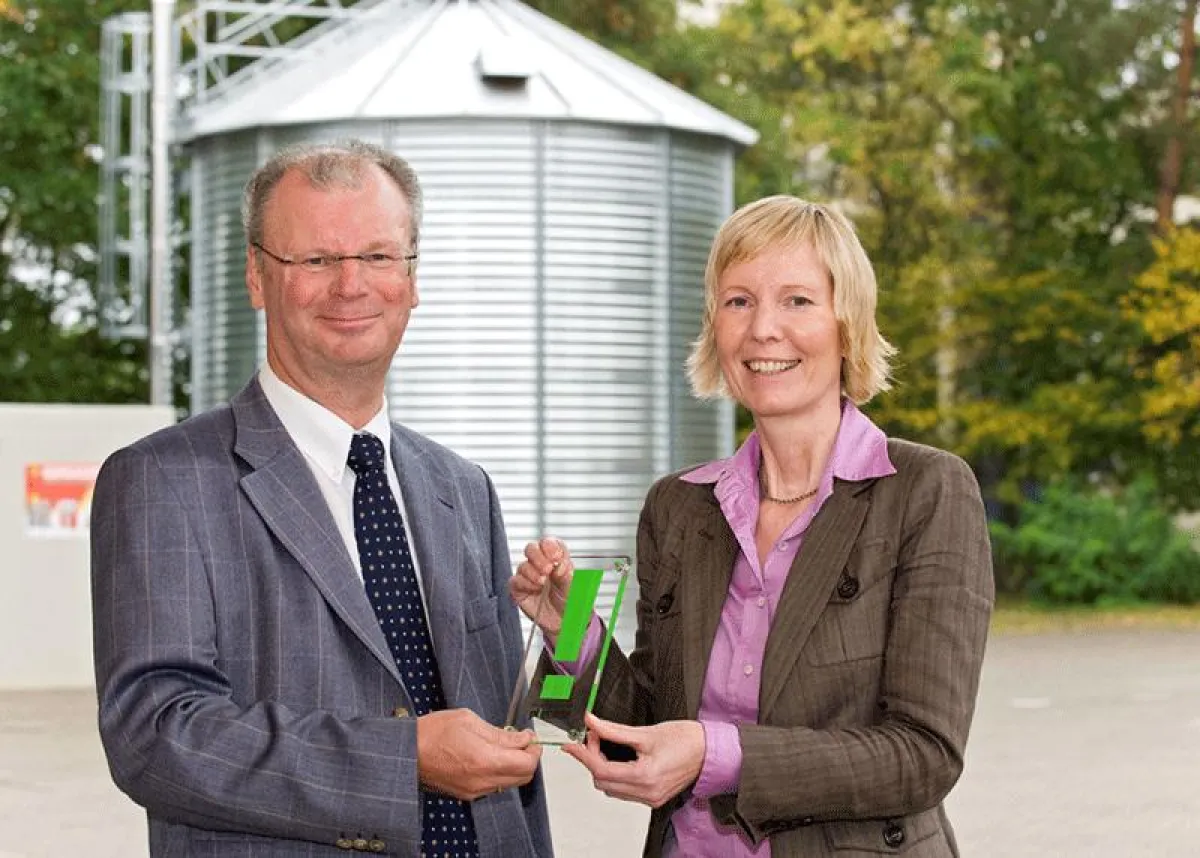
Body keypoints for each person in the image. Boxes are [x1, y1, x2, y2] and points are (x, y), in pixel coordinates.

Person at [91, 140, 551, 857]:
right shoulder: (164, 480)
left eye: (377, 256)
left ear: (412, 276)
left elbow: (495, 733)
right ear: (256, 276)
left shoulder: (462, 487)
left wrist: (560, 645)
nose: (351, 285)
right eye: (315, 260)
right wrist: (402, 761)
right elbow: (156, 734)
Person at [512, 195, 994, 857]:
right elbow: (640, 727)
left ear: (846, 322)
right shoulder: (677, 508)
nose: (764, 328)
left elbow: (924, 755)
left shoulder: (925, 492)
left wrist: (716, 751)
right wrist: (568, 630)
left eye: (797, 300)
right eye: (738, 301)